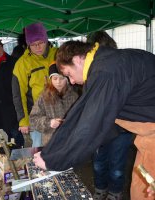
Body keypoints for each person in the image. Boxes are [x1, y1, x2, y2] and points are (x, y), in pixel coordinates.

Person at [33, 40, 155, 199]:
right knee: (143, 186)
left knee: (145, 192)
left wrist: (53, 161)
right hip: (148, 135)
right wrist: (52, 152)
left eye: (69, 74)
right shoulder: (107, 63)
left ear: (77, 59)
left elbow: (90, 124)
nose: (72, 81)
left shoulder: (106, 71)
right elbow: (82, 115)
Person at [87, 31, 135, 200]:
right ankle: (100, 188)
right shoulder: (92, 71)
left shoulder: (122, 68)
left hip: (122, 128)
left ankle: (115, 192)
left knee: (117, 163)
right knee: (99, 161)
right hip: (100, 128)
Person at [12, 22, 57, 147]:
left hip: (60, 111)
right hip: (37, 115)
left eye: (41, 42)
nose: (38, 47)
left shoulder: (58, 54)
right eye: (33, 44)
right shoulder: (22, 64)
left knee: (61, 147)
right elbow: (18, 94)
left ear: (46, 40)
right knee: (39, 148)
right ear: (28, 44)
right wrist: (23, 121)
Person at [0, 40, 24, 147]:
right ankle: (9, 159)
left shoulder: (13, 62)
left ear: (3, 48)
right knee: (4, 139)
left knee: (16, 136)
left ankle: (20, 157)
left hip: (12, 108)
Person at [29, 63, 78, 146]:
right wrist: (49, 122)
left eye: (62, 78)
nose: (58, 82)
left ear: (67, 79)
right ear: (50, 80)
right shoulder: (43, 97)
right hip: (50, 143)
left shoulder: (74, 96)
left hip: (71, 142)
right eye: (55, 79)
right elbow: (33, 120)